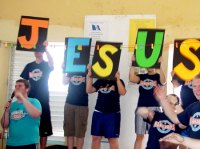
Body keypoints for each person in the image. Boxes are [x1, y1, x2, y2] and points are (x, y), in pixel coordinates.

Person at [20, 40, 54, 149]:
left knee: (43, 127)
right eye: (35, 49)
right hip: (30, 100)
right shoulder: (29, 66)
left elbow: (52, 63)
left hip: (43, 99)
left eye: (39, 50)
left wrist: (46, 48)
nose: (37, 51)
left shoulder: (46, 65)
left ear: (42, 51)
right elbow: (23, 82)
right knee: (30, 124)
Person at [129, 55, 166, 149]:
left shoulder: (157, 76)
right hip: (141, 108)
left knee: (154, 136)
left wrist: (160, 64)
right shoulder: (142, 76)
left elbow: (164, 81)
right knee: (139, 136)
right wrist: (133, 63)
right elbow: (132, 79)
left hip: (155, 109)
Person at [86, 65, 126, 149]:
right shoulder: (100, 81)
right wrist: (89, 77)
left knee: (112, 139)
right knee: (95, 138)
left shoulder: (119, 81)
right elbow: (89, 90)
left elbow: (123, 92)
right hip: (98, 113)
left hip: (113, 114)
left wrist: (118, 79)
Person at [154, 73, 200, 140]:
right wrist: (163, 99)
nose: (197, 90)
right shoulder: (193, 107)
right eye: (194, 86)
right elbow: (175, 119)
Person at [1, 79, 41, 149]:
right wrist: (7, 111)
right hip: (11, 143)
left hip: (29, 143)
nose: (17, 88)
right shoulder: (12, 105)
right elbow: (4, 125)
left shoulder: (34, 101)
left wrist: (22, 97)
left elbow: (36, 114)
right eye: (16, 86)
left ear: (27, 89)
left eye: (20, 86)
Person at [62, 66, 89, 149]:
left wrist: (89, 71)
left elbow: (89, 86)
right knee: (69, 132)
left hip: (82, 105)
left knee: (80, 133)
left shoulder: (87, 69)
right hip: (69, 103)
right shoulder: (71, 67)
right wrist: (63, 69)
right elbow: (64, 82)